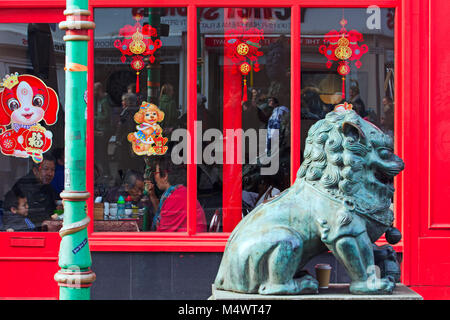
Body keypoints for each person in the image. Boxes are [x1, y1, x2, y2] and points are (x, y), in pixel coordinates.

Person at [146, 155, 207, 232]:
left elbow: (163, 235)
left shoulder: (176, 197)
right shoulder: (176, 193)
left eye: (155, 173)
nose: (154, 177)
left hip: (189, 242)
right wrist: (152, 195)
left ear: (165, 175)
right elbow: (161, 215)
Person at [10, 153, 58, 230]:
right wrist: (47, 221)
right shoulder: (24, 185)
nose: (50, 173)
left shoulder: (47, 186)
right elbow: (29, 212)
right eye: (46, 169)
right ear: (35, 171)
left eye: (52, 170)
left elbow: (54, 207)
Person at [94, 82, 112, 174]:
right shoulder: (100, 101)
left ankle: (106, 172)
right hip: (100, 129)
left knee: (102, 153)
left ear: (99, 90)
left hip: (104, 130)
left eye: (95, 90)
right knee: (101, 152)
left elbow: (106, 116)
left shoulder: (105, 101)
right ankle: (104, 172)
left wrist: (95, 117)